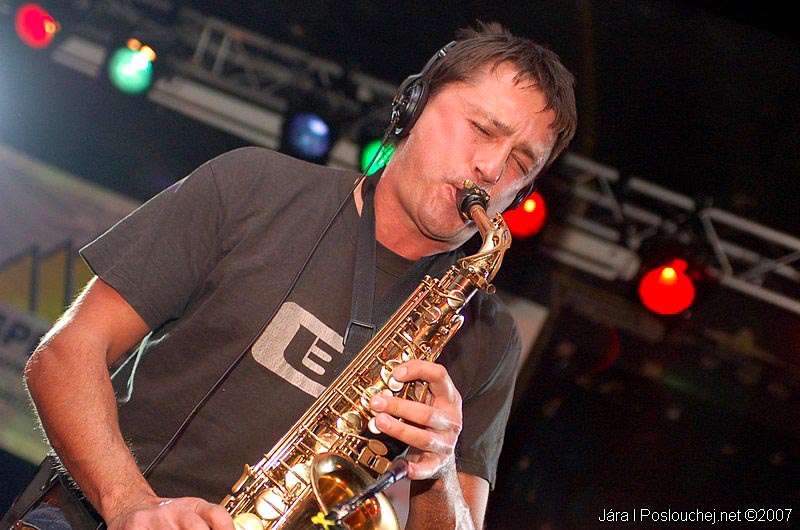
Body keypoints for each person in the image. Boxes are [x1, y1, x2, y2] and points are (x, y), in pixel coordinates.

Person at [10, 21, 576, 530]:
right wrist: (131, 504)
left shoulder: (489, 335)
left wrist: (441, 467)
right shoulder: (251, 186)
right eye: (482, 129)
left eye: (520, 163)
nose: (492, 168)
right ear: (415, 104)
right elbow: (64, 356)